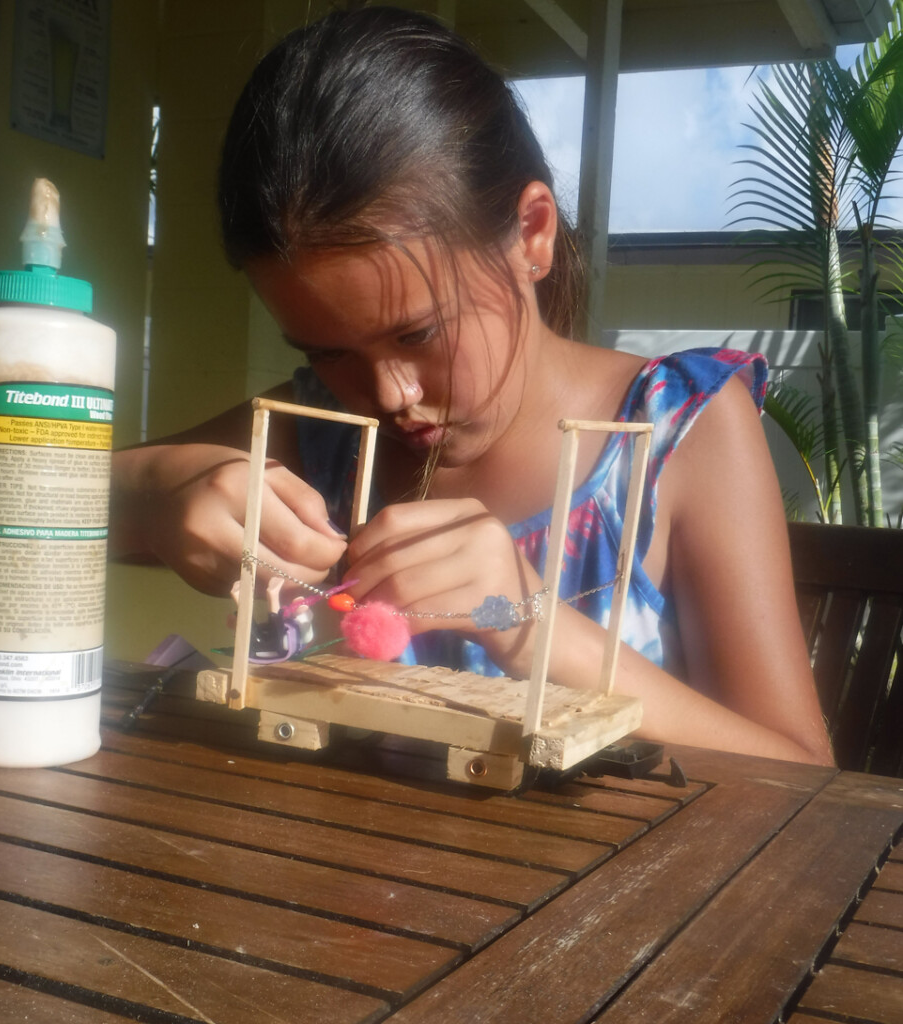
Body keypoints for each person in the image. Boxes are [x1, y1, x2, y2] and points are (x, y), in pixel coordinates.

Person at [110, 6, 833, 766]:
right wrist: (162, 487)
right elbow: (19, 491)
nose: (386, 394)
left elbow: (801, 775)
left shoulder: (675, 433)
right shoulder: (319, 428)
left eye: (419, 334)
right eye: (326, 352)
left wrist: (523, 622)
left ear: (531, 234)